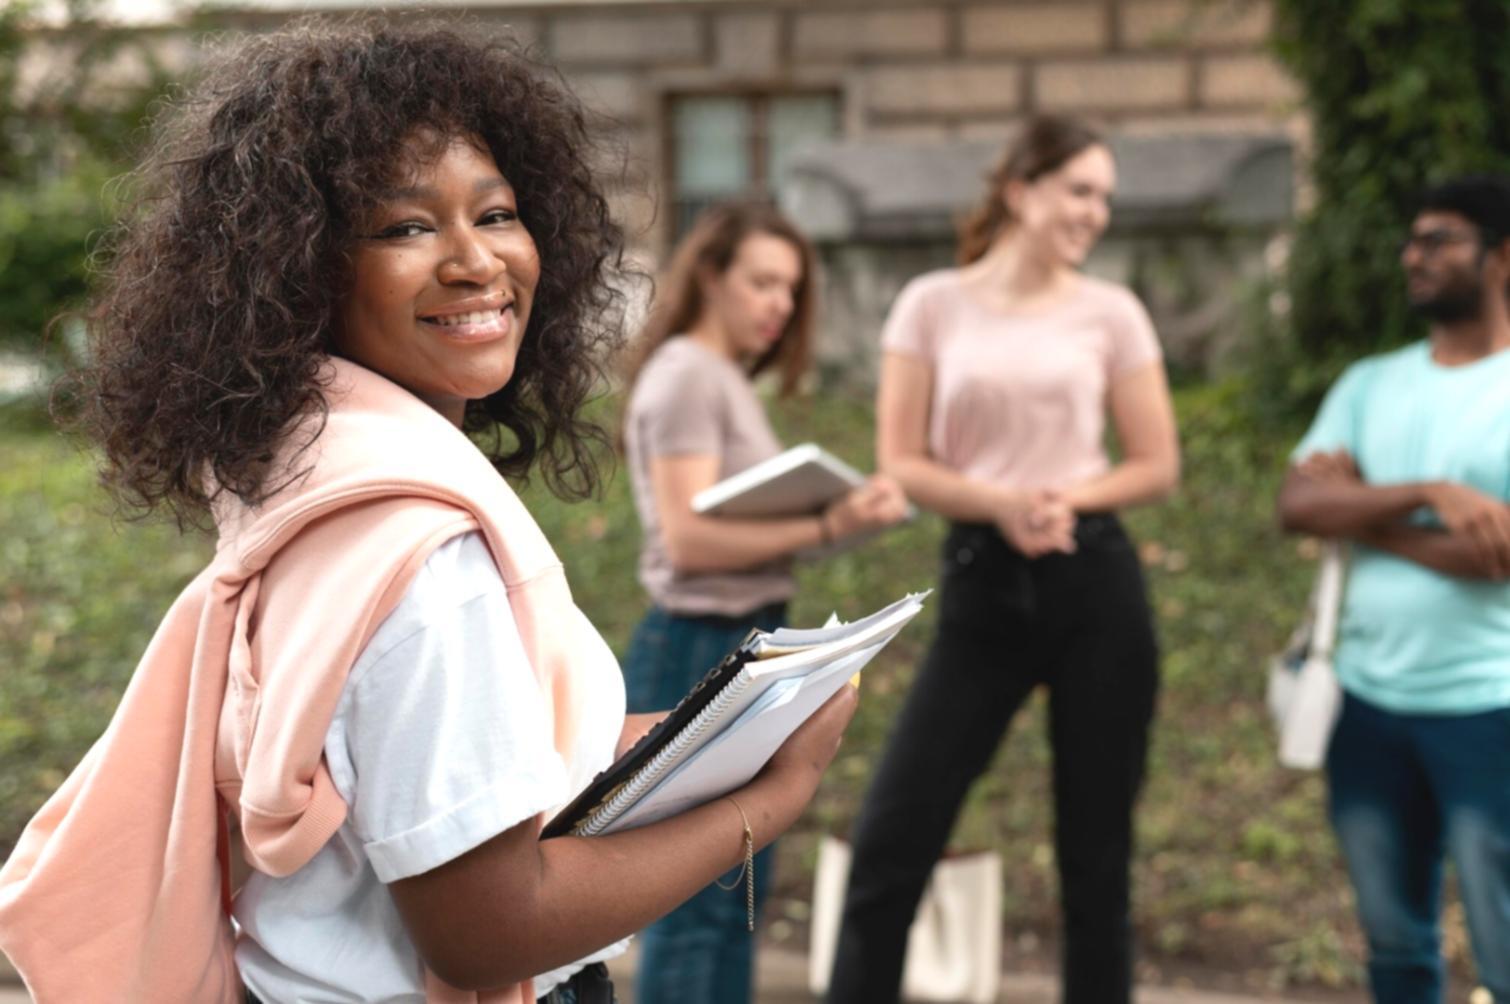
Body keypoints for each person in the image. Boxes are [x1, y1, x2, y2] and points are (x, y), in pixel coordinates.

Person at [0, 20, 859, 1004]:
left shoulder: (309, 483)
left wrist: (705, 735)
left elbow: (428, 764)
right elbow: (489, 932)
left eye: (496, 214)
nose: (475, 261)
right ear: (299, 268)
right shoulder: (426, 555)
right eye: (407, 227)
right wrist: (770, 799)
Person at [827, 115, 1180, 1004]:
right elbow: (902, 459)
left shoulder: (1112, 312)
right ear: (1022, 191)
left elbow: (1156, 463)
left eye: (1105, 197)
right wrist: (1001, 506)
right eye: (1079, 190)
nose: (1095, 212)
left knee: (1096, 858)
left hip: (1093, 579)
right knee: (892, 838)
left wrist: (1065, 499)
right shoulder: (932, 304)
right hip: (983, 582)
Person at [617, 202, 909, 1004]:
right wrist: (829, 523)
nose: (780, 303)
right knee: (695, 899)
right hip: (697, 646)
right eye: (762, 281)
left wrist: (840, 520)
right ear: (710, 275)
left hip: (743, 640)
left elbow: (740, 529)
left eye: (791, 288)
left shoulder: (721, 377)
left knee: (734, 895)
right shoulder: (688, 373)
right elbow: (686, 540)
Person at [1277, 176, 1510, 1004]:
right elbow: (1298, 504)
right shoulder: (1369, 384)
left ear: (1502, 258)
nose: (1415, 256)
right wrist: (1432, 495)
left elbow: (1500, 556)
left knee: (1504, 949)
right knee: (1394, 943)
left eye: (1440, 240)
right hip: (1367, 705)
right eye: (1412, 240)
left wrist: (1365, 511)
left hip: (1490, 707)